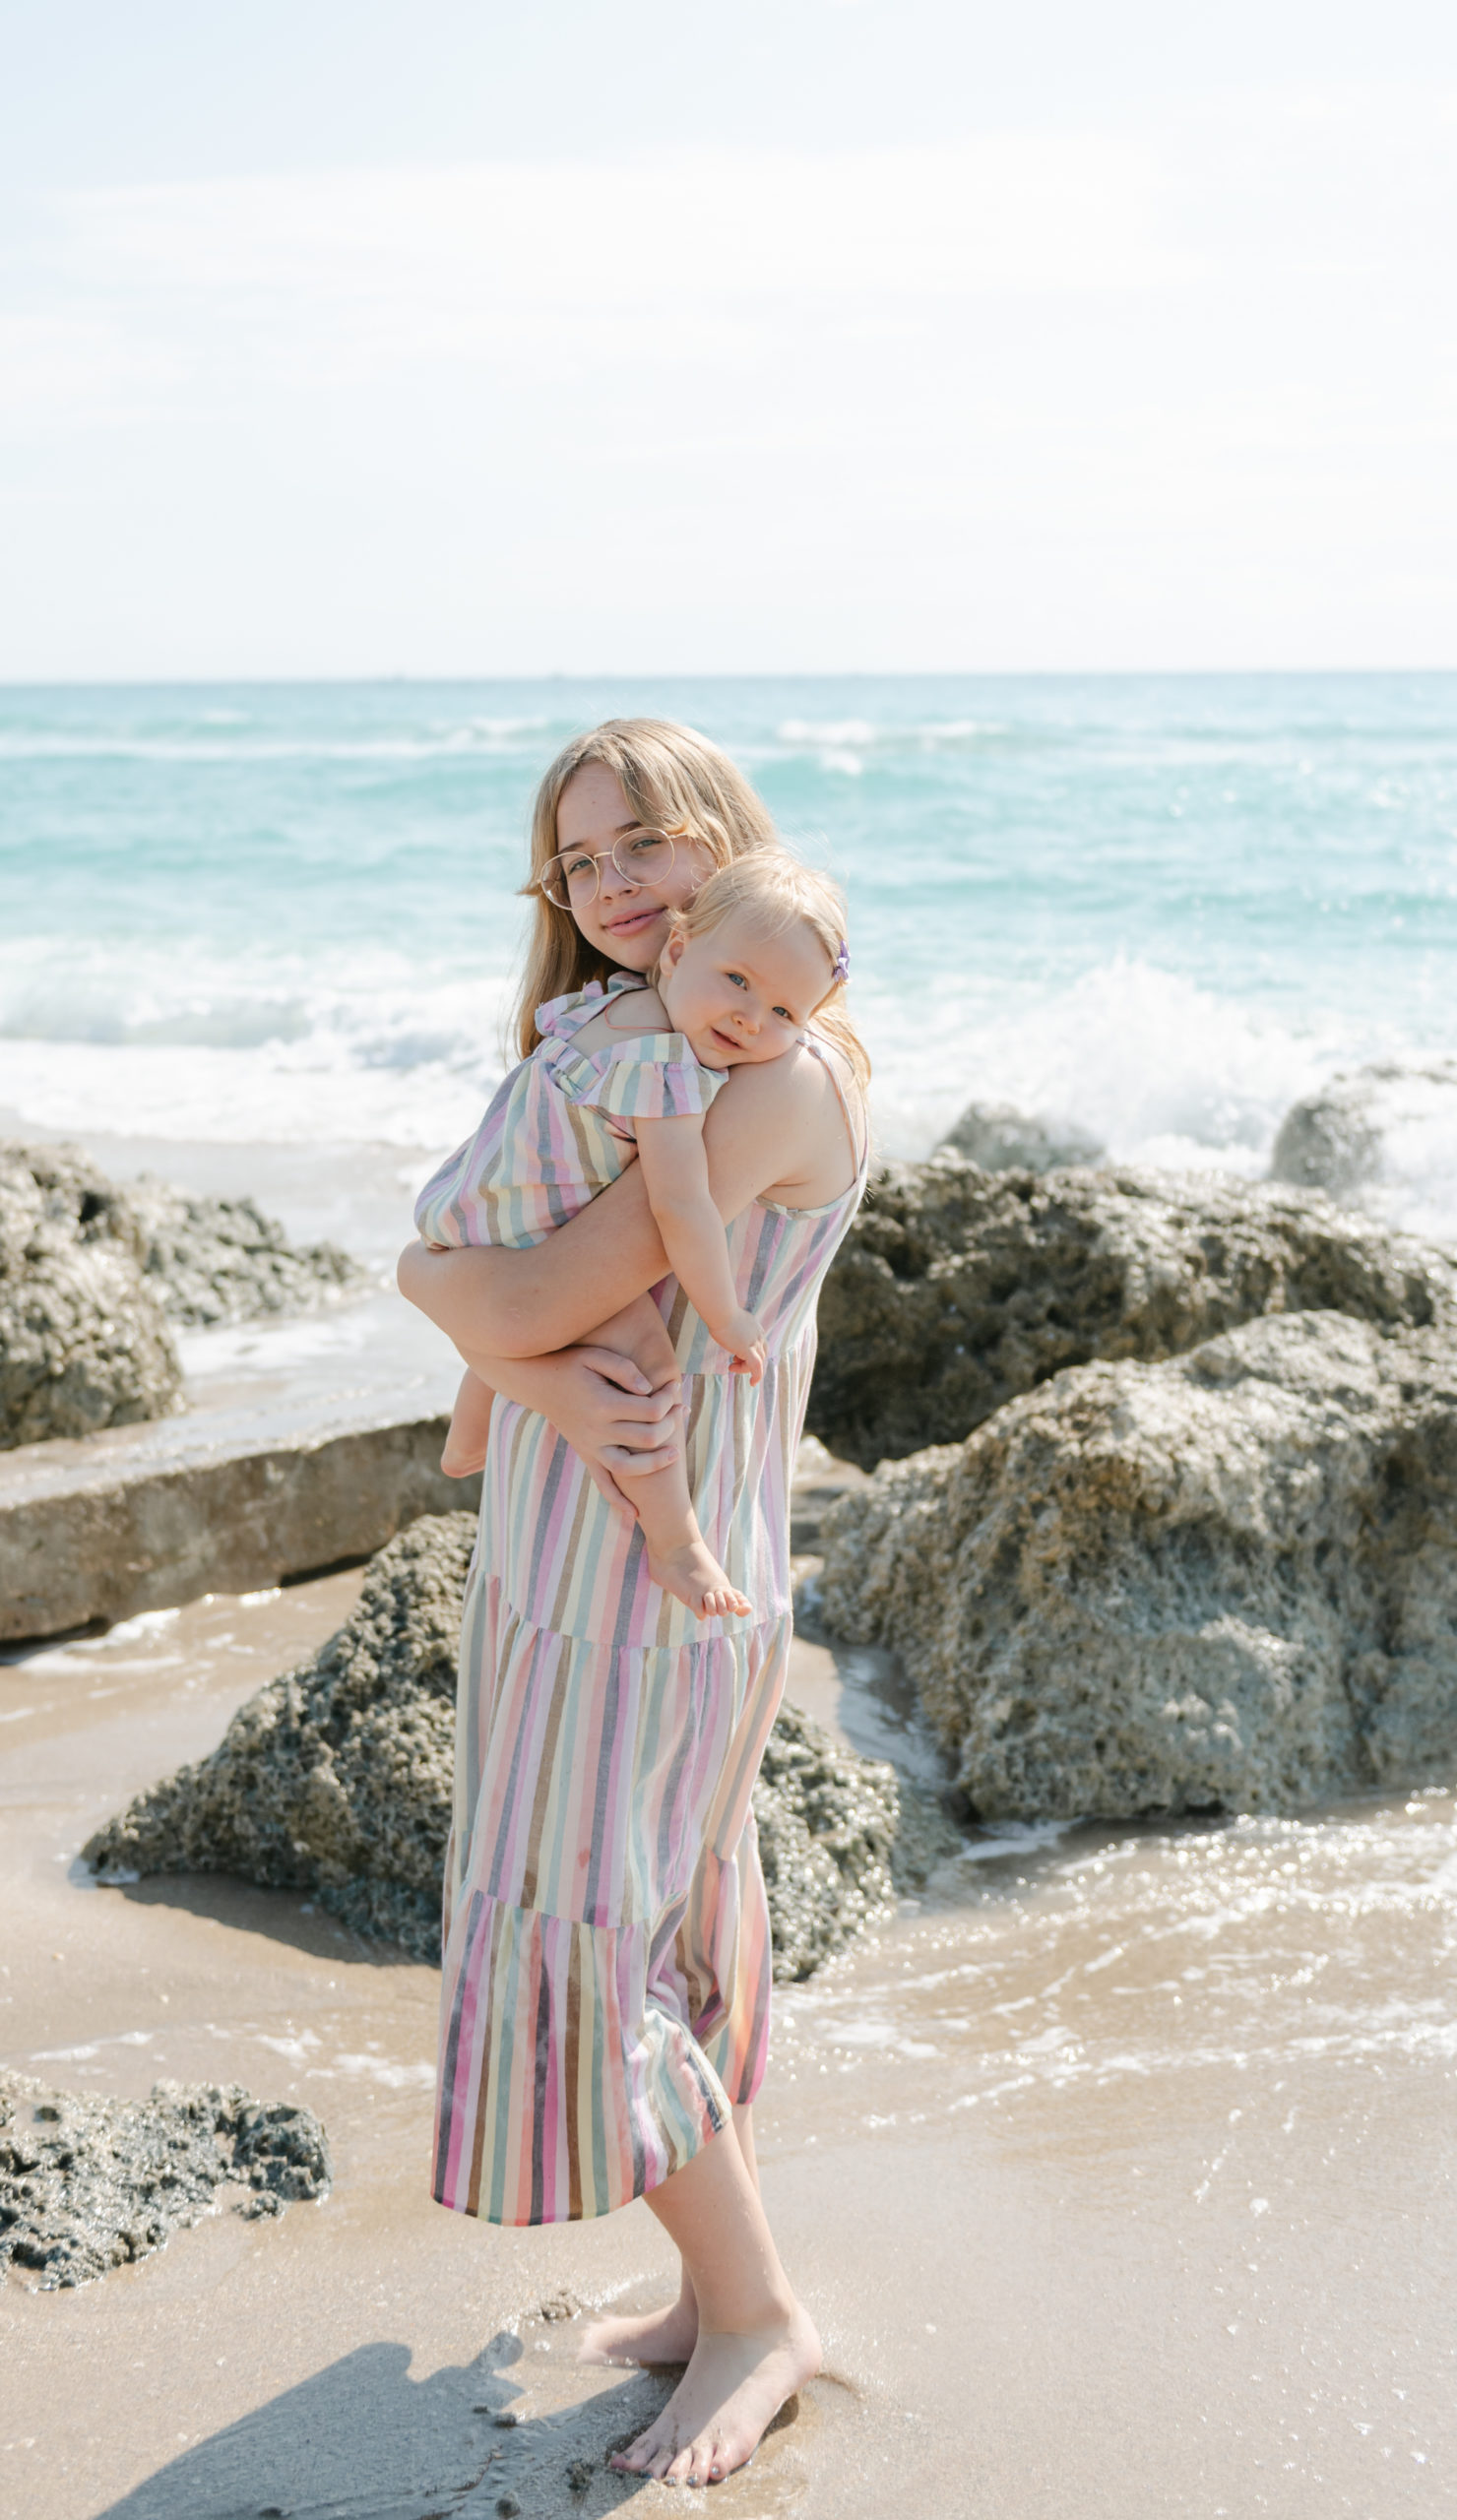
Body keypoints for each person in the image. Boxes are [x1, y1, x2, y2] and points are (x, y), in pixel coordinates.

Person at [397, 717, 868, 2488]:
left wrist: (432, 1292)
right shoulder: (629, 1048)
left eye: (648, 843)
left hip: (650, 1584)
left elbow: (522, 1297)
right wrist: (485, 1335)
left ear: (728, 842)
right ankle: (711, 2288)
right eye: (579, 863)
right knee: (638, 1917)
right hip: (574, 1553)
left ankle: (753, 2315)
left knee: (582, 1923)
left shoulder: (764, 1078)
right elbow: (514, 1315)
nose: (614, 887)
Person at [416, 848, 855, 1619]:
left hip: (479, 1206)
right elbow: (679, 1208)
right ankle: (677, 1538)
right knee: (644, 1358)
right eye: (738, 983)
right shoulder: (668, 1076)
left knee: (534, 1324)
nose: (751, 1020)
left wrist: (414, 1270)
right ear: (681, 949)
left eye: (785, 1013)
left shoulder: (607, 1004)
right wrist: (726, 1316)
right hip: (529, 1225)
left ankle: (467, 1431)